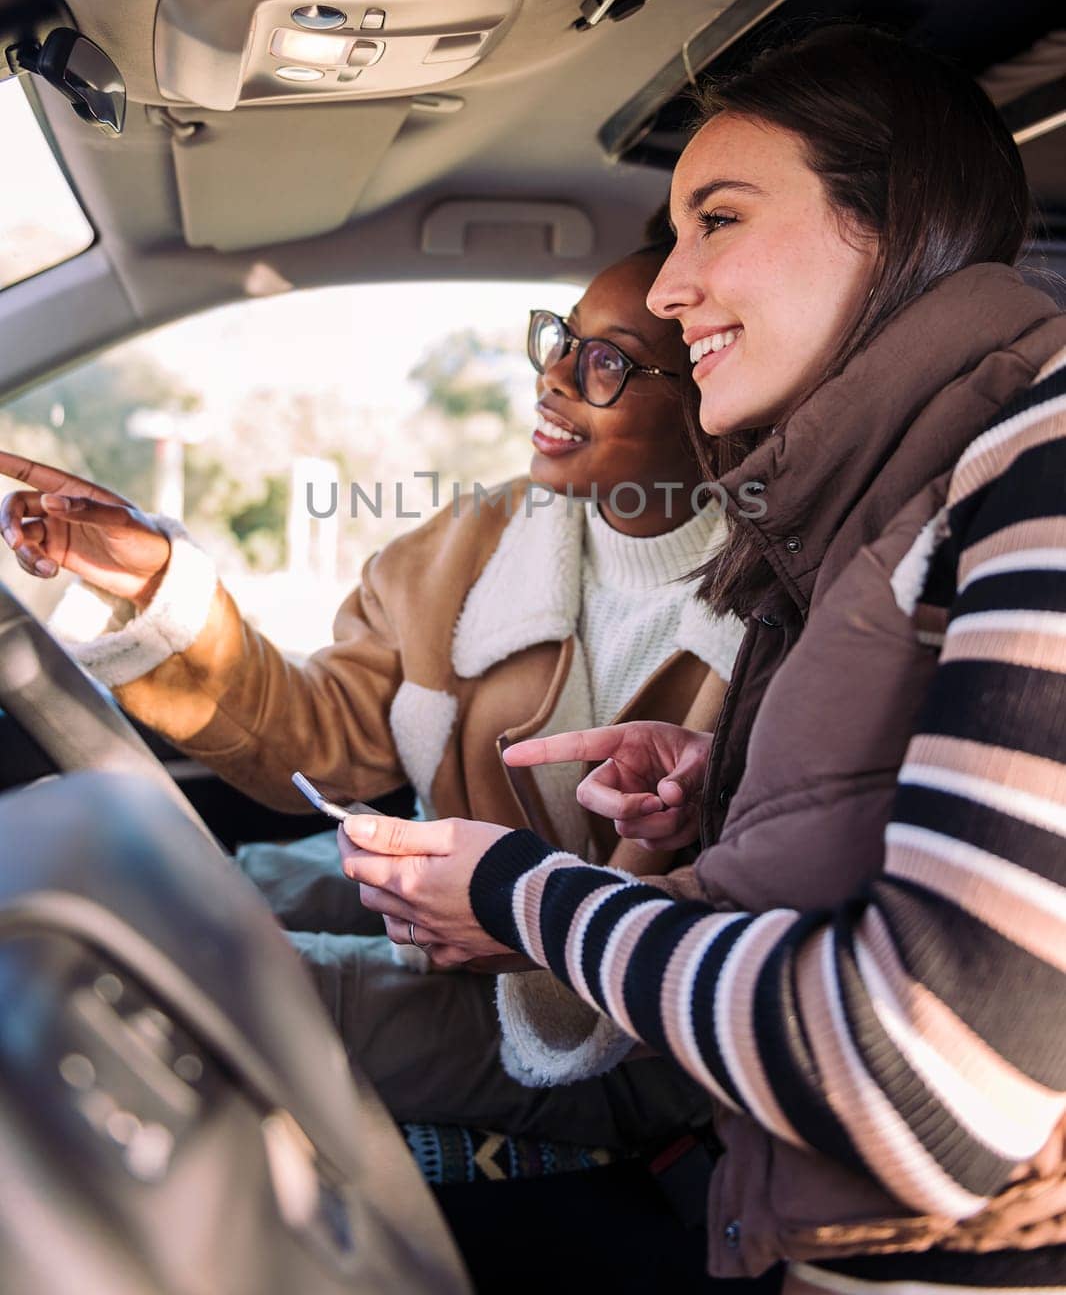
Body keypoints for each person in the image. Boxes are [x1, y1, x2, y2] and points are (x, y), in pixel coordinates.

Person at [333, 25, 1066, 1293]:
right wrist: (722, 788)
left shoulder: (1042, 456)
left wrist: (525, 899)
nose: (670, 289)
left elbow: (923, 1084)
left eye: (714, 220)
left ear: (890, 222)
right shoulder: (881, 507)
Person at [0, 241, 745, 1153]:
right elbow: (327, 735)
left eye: (606, 362)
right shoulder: (477, 538)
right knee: (191, 897)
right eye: (559, 339)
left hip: (616, 1025)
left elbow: (748, 901)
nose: (551, 377)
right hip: (461, 915)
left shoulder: (774, 615)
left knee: (209, 985)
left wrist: (522, 916)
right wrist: (158, 586)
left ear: (708, 390)